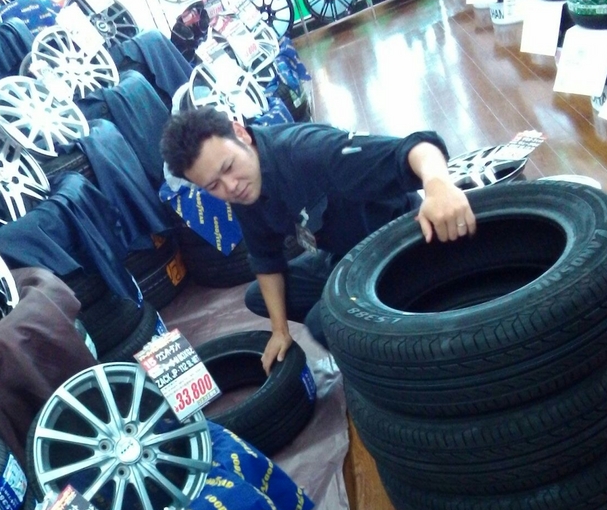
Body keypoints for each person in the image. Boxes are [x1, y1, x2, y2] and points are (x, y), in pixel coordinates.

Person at [160, 107, 476, 373]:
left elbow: (418, 147)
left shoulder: (307, 151)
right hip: (344, 257)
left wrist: (439, 188)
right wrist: (279, 332)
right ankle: (369, 337)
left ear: (240, 133)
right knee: (259, 298)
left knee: (322, 323)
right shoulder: (243, 191)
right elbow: (266, 259)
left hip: (398, 247)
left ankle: (399, 366)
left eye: (228, 167)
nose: (229, 187)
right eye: (213, 185)